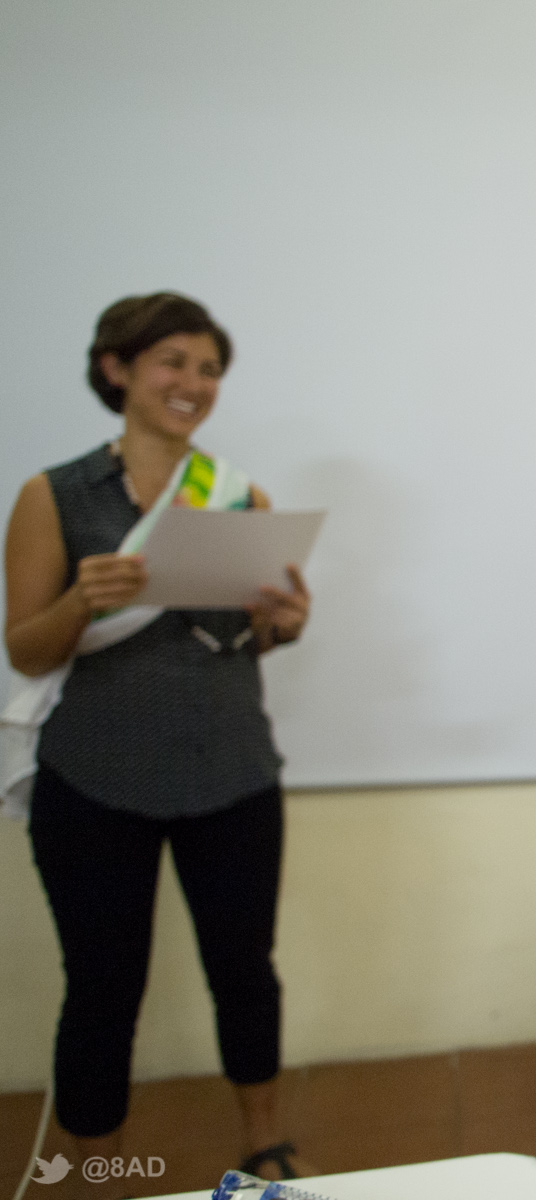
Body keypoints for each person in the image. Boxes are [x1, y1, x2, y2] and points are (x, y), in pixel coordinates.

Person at [3, 293, 314, 1191]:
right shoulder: (53, 495)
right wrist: (78, 601)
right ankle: (92, 1170)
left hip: (233, 772)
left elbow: (246, 637)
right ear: (118, 370)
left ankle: (262, 1145)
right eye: (173, 362)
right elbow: (24, 646)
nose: (194, 384)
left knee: (245, 971)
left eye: (209, 369)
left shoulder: (239, 497)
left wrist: (284, 622)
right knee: (103, 986)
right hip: (95, 779)